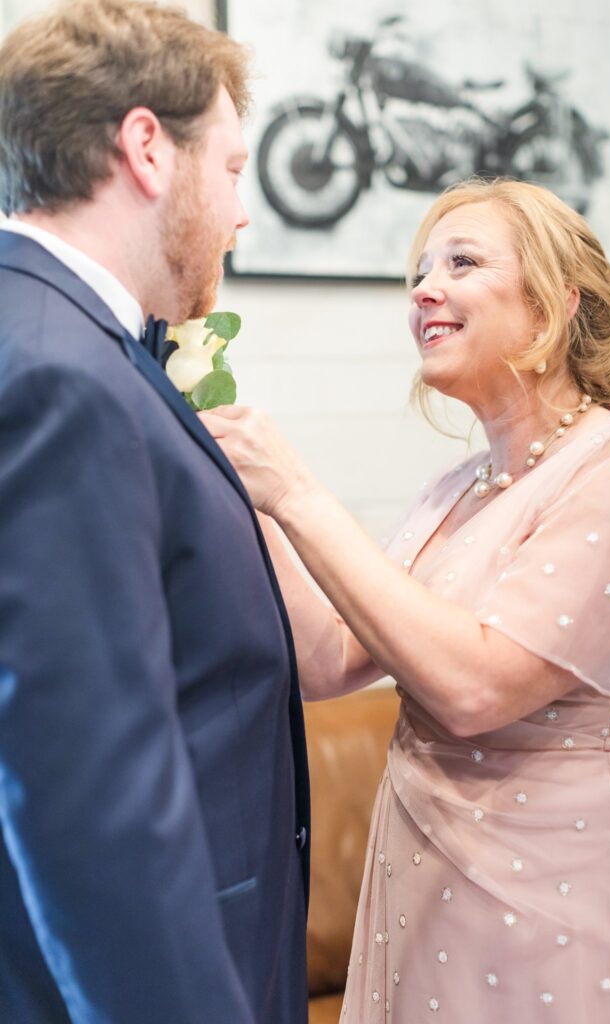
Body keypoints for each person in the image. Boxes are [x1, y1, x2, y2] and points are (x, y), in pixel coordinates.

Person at [203, 178, 610, 1023]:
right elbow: (327, 661)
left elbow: (474, 690)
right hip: (428, 899)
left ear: (556, 301)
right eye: (420, 270)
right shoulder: (456, 487)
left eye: (461, 262)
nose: (423, 289)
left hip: (557, 913)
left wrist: (299, 489)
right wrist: (253, 496)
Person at [0, 2, 309, 1022]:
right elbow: (91, 794)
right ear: (146, 148)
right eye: (229, 167)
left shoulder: (83, 344)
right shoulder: (61, 374)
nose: (242, 207)